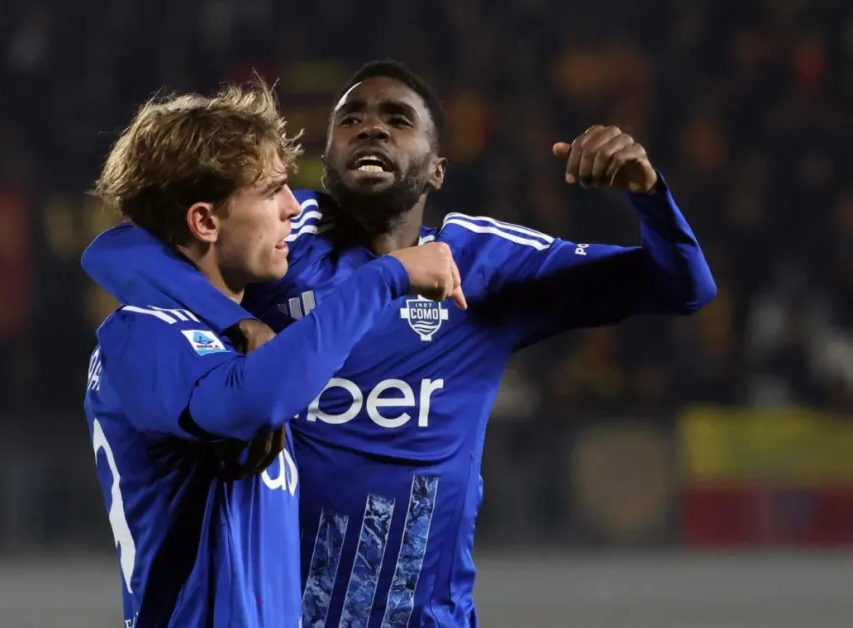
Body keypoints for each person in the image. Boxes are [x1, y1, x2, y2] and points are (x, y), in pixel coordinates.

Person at [84, 60, 716, 627]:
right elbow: (123, 248)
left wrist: (649, 194)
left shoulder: (475, 261)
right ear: (326, 164)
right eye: (350, 118)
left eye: (397, 119)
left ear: (437, 167)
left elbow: (682, 286)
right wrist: (224, 317)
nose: (371, 128)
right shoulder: (278, 243)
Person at [81, 79, 466, 628]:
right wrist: (387, 277)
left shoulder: (220, 334)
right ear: (205, 221)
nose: (293, 208)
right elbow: (249, 403)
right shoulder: (141, 334)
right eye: (272, 190)